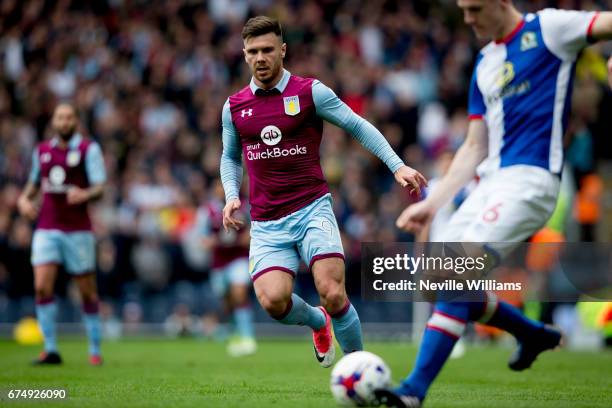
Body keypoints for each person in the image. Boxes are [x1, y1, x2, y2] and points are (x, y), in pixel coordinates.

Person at [376, 1, 612, 406]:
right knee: (436, 282)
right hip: (488, 181)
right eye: (463, 11)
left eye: (474, 9)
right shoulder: (485, 62)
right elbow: (473, 145)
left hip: (531, 180)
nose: (468, 19)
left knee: (454, 273)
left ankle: (413, 391)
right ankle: (531, 334)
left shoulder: (551, 29)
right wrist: (433, 204)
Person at [220, 16, 426, 367]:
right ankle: (317, 321)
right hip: (268, 222)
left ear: (282, 50)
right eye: (253, 51)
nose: (260, 58)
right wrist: (230, 194)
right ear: (244, 55)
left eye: (268, 50)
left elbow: (356, 125)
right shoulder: (235, 107)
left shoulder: (309, 92)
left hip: (312, 208)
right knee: (273, 302)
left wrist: (397, 165)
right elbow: (229, 156)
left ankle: (360, 371)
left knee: (332, 292)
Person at [17, 103, 107, 366]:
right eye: (60, 117)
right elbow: (34, 183)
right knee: (42, 286)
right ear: (54, 121)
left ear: (76, 121)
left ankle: (94, 349)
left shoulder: (88, 149)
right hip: (47, 227)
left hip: (78, 230)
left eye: (69, 117)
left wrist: (85, 194)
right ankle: (50, 349)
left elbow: (100, 187)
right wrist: (23, 200)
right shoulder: (42, 151)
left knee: (87, 291)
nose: (64, 121)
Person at [198, 179, 256, 356]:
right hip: (218, 263)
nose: (222, 189)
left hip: (239, 258)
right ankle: (235, 332)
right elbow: (203, 241)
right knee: (226, 299)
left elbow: (251, 234)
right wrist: (220, 241)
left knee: (238, 292)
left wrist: (238, 240)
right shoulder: (207, 211)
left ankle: (248, 337)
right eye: (218, 186)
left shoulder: (245, 206)